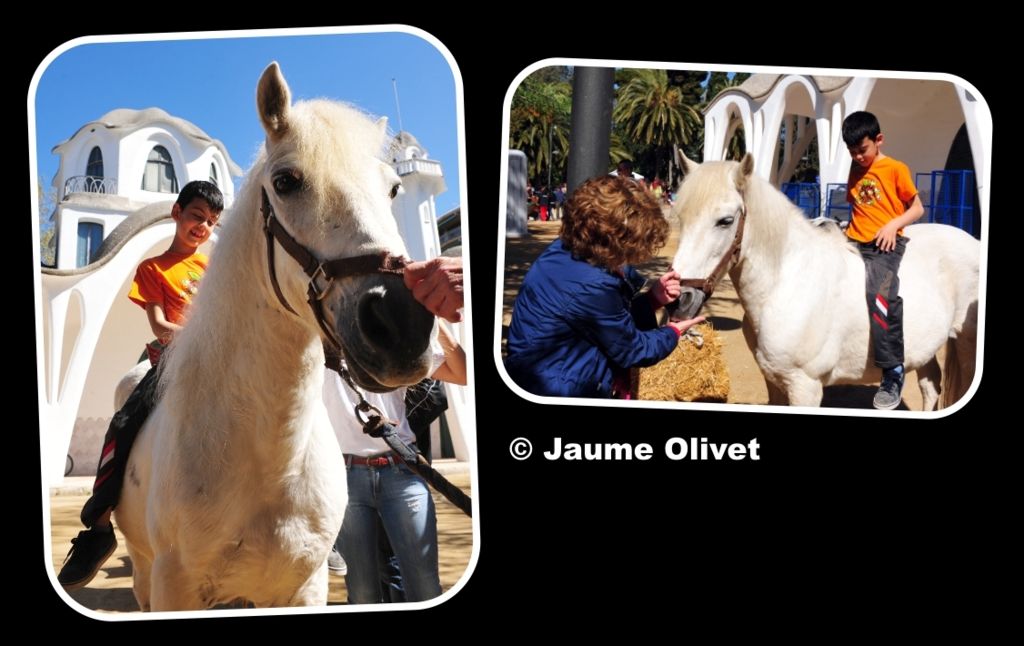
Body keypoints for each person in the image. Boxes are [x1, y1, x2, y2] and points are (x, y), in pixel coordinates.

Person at [57, 180, 224, 590]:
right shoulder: (153, 269)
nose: (202, 227)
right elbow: (161, 327)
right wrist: (202, 333)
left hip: (224, 358)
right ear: (177, 213)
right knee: (124, 423)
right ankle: (97, 528)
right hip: (176, 361)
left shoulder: (217, 268)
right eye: (196, 216)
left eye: (211, 221)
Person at [505, 175, 704, 398]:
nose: (636, 255)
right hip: (563, 392)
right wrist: (673, 332)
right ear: (615, 240)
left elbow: (605, 323)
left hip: (546, 374)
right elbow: (632, 349)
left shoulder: (567, 249)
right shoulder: (594, 284)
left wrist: (651, 300)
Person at [324, 322, 466, 604]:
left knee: (425, 588)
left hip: (400, 471)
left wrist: (436, 324)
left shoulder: (393, 345)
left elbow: (462, 373)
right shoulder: (316, 348)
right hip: (344, 477)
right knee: (362, 592)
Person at [842, 111, 925, 410]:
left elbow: (917, 208)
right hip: (853, 240)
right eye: (852, 152)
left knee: (880, 295)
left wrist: (892, 225)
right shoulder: (855, 167)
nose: (858, 156)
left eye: (862, 150)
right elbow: (859, 207)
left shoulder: (895, 168)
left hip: (884, 245)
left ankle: (892, 371)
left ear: (879, 140)